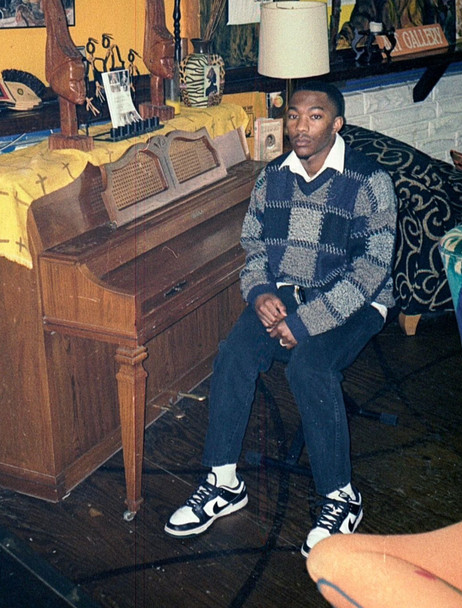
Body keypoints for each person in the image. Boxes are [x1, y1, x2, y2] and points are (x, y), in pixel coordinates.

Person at [164, 81, 397, 557]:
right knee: (234, 353)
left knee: (309, 367)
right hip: (288, 293)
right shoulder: (272, 177)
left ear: (337, 124)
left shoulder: (369, 181)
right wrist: (261, 292)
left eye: (315, 116)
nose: (300, 127)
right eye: (293, 115)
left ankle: (341, 497)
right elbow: (253, 247)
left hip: (355, 301)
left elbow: (371, 271)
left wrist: (306, 322)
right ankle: (223, 482)